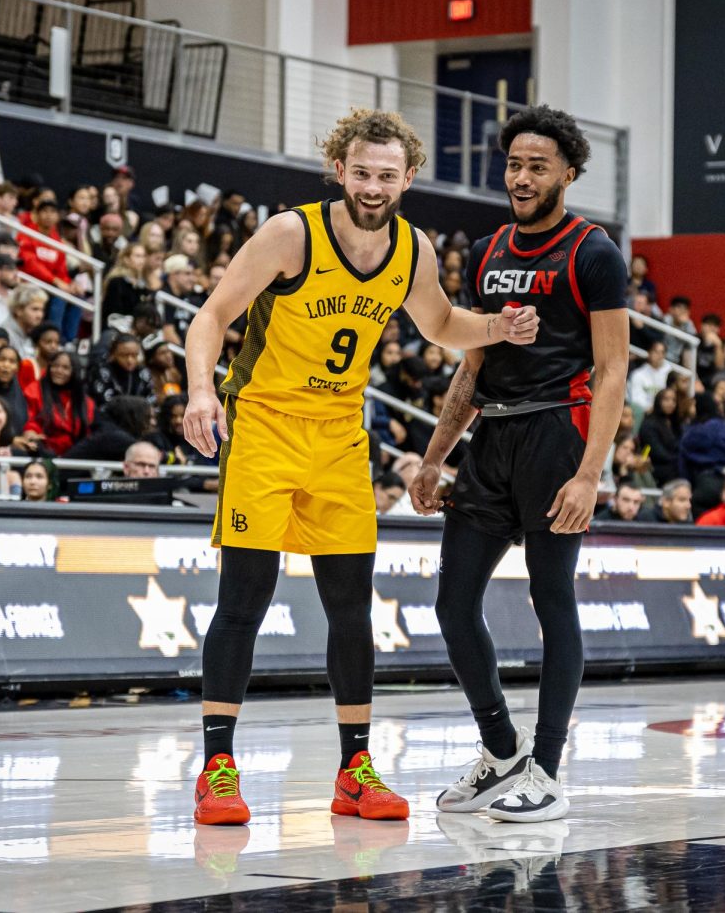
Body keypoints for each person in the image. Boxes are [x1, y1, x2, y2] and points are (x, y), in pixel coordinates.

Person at [181, 108, 539, 827]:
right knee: (245, 598)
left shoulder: (412, 249)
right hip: (265, 427)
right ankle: (217, 768)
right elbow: (211, 316)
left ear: (407, 178)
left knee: (350, 606)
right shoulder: (291, 234)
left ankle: (354, 769)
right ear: (336, 169)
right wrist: (198, 392)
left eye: (386, 176)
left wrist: (496, 326)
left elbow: (439, 325)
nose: (372, 187)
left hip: (341, 436)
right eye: (361, 173)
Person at [403, 105, 626, 825]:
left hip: (555, 436)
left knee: (551, 599)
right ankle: (501, 751)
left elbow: (613, 369)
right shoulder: (494, 248)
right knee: (452, 603)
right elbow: (472, 363)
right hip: (490, 443)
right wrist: (436, 457)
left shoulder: (593, 252)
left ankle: (549, 770)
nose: (522, 177)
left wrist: (590, 473)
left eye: (537, 165)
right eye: (514, 164)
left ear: (568, 173)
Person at [626, 340, 670, 412]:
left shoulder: (668, 374)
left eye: (662, 352)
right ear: (649, 353)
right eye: (656, 352)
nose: (659, 355)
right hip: (641, 413)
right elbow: (636, 402)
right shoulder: (638, 374)